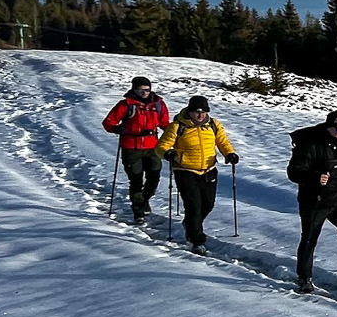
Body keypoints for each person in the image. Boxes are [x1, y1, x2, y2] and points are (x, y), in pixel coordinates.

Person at [287, 109, 337, 293]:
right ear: (329, 127)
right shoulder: (312, 145)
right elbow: (294, 172)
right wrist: (315, 176)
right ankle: (304, 279)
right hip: (314, 201)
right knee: (309, 238)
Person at [157, 96, 238, 252]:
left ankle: (190, 224)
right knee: (193, 205)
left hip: (208, 169)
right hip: (185, 170)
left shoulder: (213, 125)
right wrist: (168, 153)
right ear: (190, 111)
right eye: (196, 112)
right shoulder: (177, 126)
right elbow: (161, 146)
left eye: (203, 111)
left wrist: (229, 154)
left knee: (208, 204)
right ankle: (196, 240)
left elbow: (222, 141)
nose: (200, 115)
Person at [102, 75, 170, 223]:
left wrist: (175, 134)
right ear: (134, 89)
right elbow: (108, 122)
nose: (144, 93)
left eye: (147, 89)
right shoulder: (125, 105)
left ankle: (144, 199)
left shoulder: (158, 104)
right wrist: (117, 128)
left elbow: (164, 123)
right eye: (140, 90)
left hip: (153, 146)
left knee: (154, 176)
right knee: (136, 179)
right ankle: (138, 211)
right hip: (131, 146)